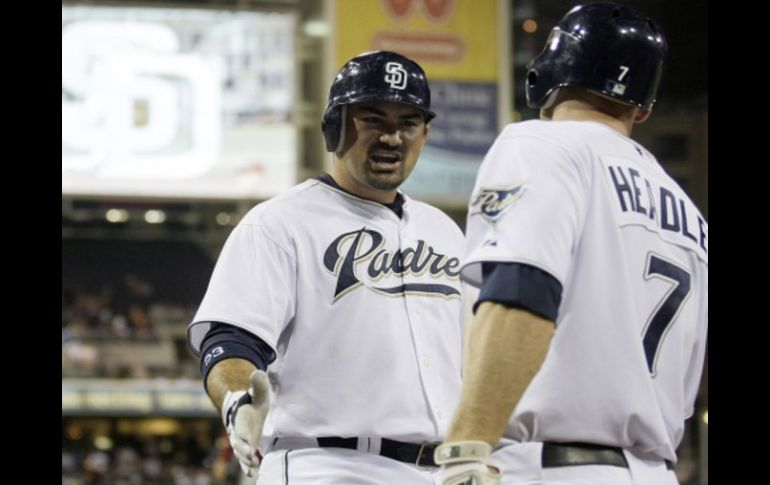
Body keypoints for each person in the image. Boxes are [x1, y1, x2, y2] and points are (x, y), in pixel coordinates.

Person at [433, 4, 708, 485]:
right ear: (643, 107)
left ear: (549, 70)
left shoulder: (543, 145)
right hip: (653, 469)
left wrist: (467, 444)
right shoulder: (689, 213)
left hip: (552, 466)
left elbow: (521, 293)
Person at [187, 50, 466, 484]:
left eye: (408, 123)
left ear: (425, 134)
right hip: (329, 465)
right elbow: (231, 338)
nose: (392, 137)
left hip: (444, 469)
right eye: (373, 119)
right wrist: (237, 399)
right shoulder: (280, 223)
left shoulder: (444, 231)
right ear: (335, 126)